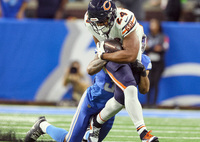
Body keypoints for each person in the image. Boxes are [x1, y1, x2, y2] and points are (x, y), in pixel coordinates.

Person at [24, 52, 152, 142]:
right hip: (92, 101)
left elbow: (144, 89)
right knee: (71, 140)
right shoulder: (110, 49)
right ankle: (43, 125)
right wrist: (105, 57)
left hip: (109, 110)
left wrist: (141, 72)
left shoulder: (143, 60)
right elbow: (90, 69)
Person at [84, 0, 158, 142]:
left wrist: (142, 71)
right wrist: (104, 56)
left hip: (128, 54)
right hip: (112, 54)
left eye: (103, 20)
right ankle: (143, 133)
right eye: (97, 22)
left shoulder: (125, 19)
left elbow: (131, 56)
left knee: (120, 99)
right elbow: (100, 46)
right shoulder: (89, 21)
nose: (100, 25)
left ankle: (96, 123)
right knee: (130, 87)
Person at [145, 18, 169, 107]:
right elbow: (145, 47)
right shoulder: (147, 36)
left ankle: (154, 103)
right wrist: (154, 48)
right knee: (148, 82)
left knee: (155, 82)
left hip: (159, 63)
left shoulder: (163, 37)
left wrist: (154, 48)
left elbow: (164, 47)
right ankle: (147, 103)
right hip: (149, 62)